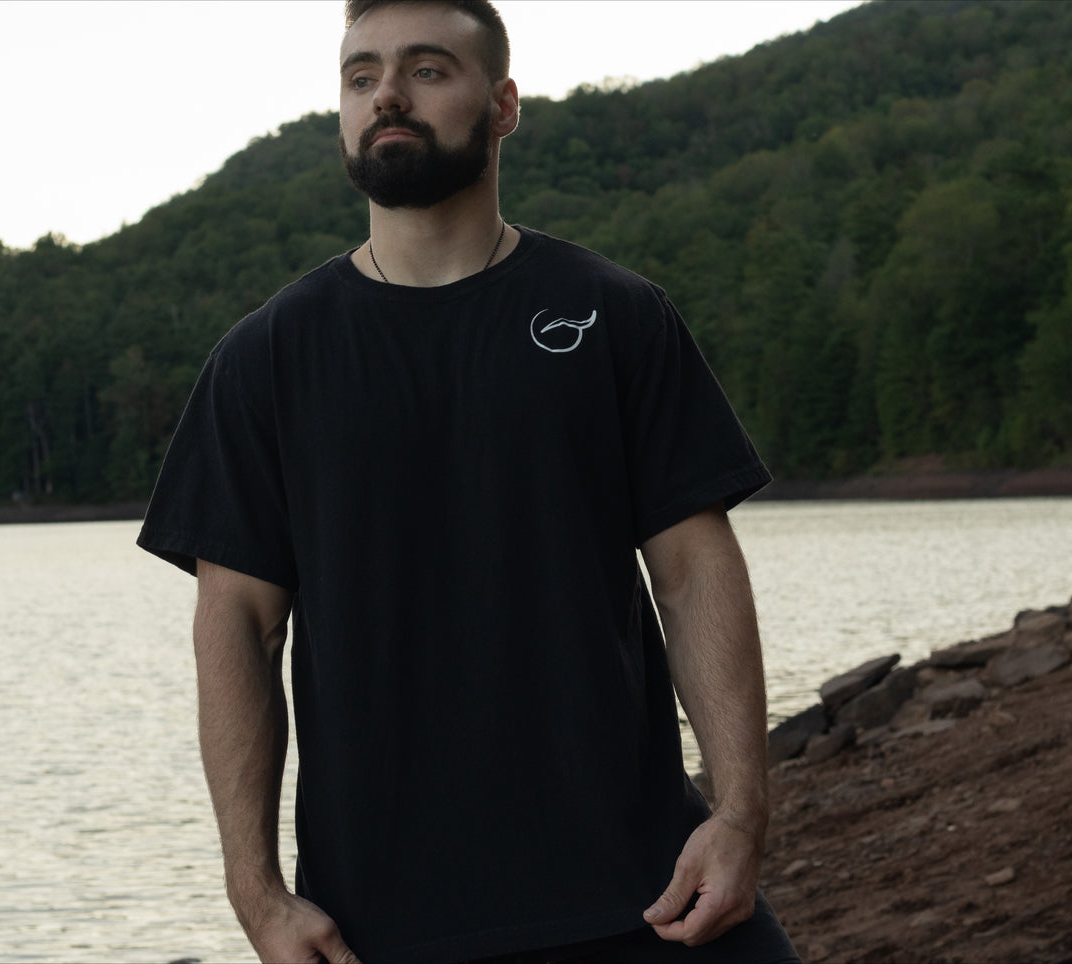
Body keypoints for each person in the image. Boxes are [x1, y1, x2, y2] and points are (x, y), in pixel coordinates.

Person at [137, 2, 799, 962]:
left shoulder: (612, 316)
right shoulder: (267, 358)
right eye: (360, 77)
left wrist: (739, 814)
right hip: (382, 929)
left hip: (647, 895)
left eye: (427, 70)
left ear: (503, 106)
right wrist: (256, 893)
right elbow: (237, 623)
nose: (388, 96)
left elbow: (693, 571)